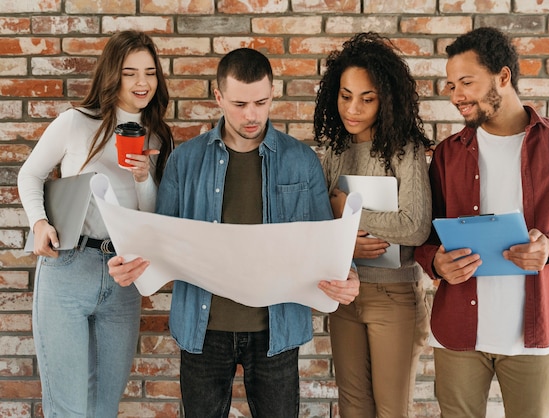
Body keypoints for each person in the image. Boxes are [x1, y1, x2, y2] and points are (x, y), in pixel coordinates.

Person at [107, 47, 360, 418]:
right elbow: (158, 237)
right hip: (203, 328)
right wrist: (131, 264)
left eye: (261, 101)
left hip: (276, 330)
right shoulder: (185, 160)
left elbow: (325, 242)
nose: (252, 114)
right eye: (240, 104)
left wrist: (346, 274)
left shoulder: (301, 160)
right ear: (219, 97)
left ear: (273, 93)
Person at [414, 27, 549, 418]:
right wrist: (434, 262)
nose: (456, 95)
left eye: (467, 82)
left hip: (537, 331)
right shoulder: (448, 155)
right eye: (451, 84)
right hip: (459, 330)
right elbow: (423, 236)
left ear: (503, 78)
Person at [17, 30, 173, 418]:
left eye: (150, 72)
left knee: (103, 408)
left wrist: (142, 177)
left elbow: (150, 218)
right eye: (130, 73)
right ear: (111, 76)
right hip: (69, 266)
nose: (142, 83)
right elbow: (30, 174)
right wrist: (38, 223)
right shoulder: (76, 122)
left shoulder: (157, 135)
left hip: (122, 277)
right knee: (67, 409)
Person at [312, 32, 433, 418]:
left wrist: (349, 211)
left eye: (367, 98)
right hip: (343, 295)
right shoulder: (333, 150)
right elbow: (317, 225)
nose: (353, 108)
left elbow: (415, 226)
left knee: (391, 410)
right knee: (353, 408)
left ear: (386, 99)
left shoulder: (405, 149)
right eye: (346, 95)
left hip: (393, 297)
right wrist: (348, 244)